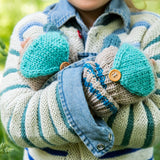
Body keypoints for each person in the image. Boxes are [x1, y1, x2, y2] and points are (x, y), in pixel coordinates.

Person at [0, 0, 160, 159]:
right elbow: (16, 122)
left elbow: (156, 125)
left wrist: (66, 91)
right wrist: (110, 85)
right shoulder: (31, 28)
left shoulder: (151, 27)